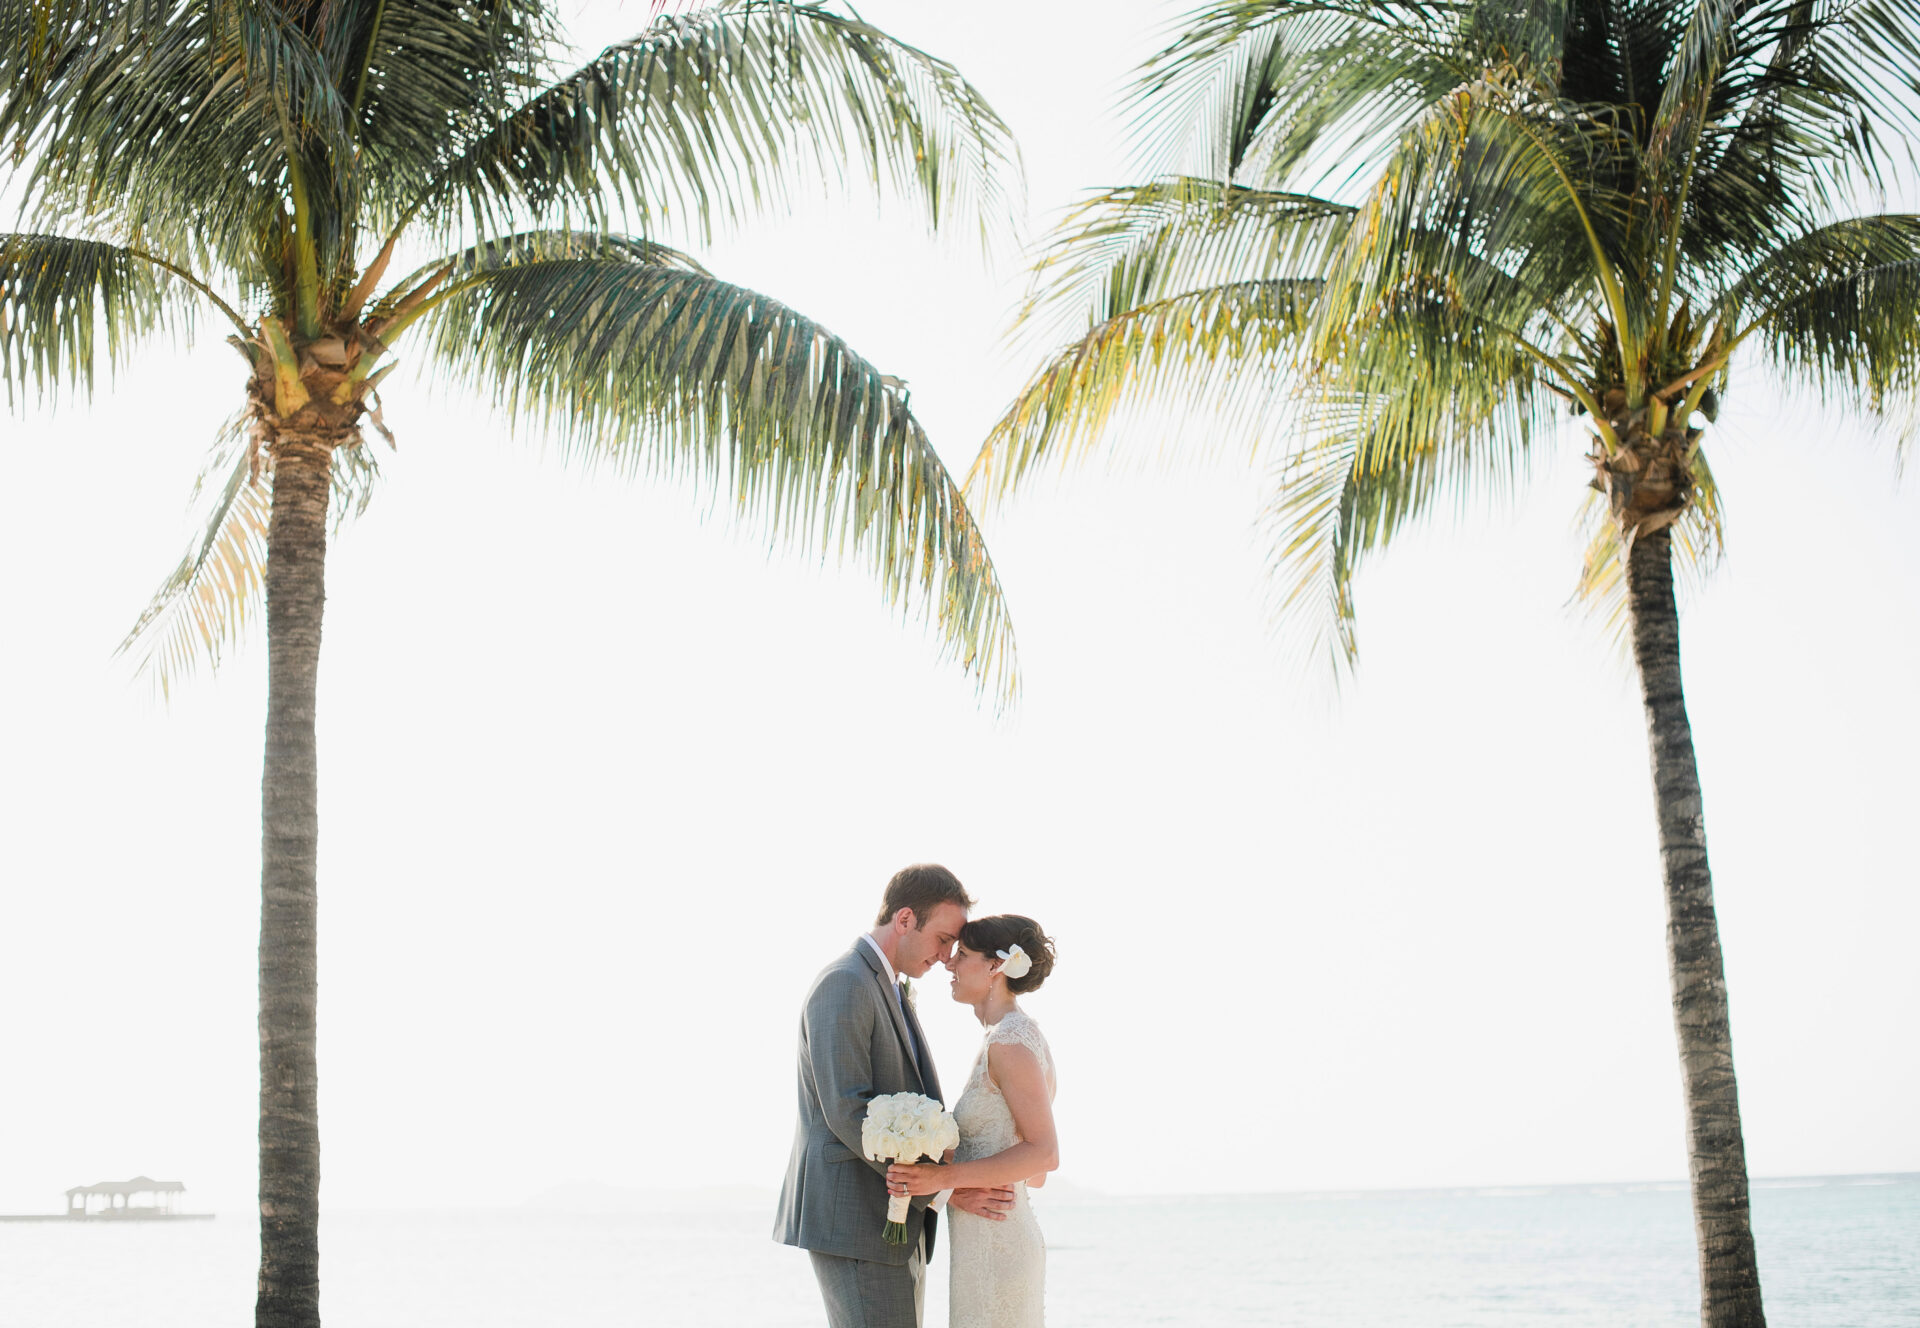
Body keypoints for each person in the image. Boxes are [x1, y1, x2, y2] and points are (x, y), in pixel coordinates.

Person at [774, 865, 1017, 1328]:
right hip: (857, 1219)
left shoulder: (887, 986)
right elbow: (849, 1111)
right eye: (944, 938)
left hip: (892, 1221)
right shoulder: (845, 982)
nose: (948, 956)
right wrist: (941, 1188)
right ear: (905, 919)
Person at [887, 915, 1059, 1328]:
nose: (949, 963)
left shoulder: (1009, 1044)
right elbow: (1030, 1175)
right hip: (988, 1238)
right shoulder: (1009, 1038)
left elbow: (1045, 1156)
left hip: (997, 1247)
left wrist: (940, 1179)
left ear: (996, 967)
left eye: (962, 955)